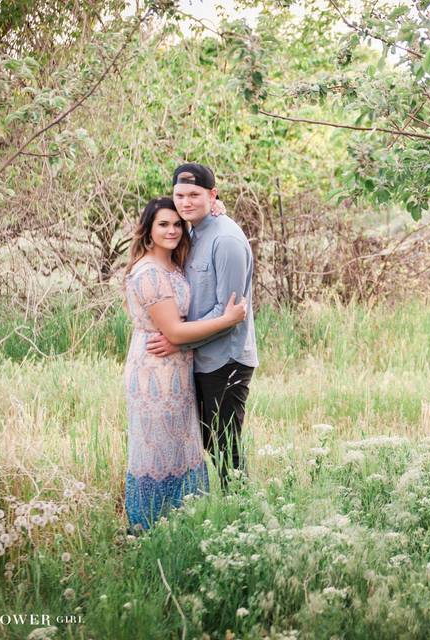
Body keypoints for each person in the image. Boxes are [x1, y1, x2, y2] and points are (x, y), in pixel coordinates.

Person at [123, 196, 246, 532]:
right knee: (157, 448)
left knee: (180, 446)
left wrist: (216, 208)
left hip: (177, 368)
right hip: (155, 370)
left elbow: (197, 209)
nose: (173, 230)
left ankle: (182, 525)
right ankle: (147, 529)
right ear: (147, 228)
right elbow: (174, 330)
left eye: (177, 224)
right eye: (163, 224)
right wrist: (228, 319)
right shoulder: (149, 273)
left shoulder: (172, 264)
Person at [146, 163, 258, 489]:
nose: (185, 202)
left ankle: (240, 514)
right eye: (179, 195)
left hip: (226, 359)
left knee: (226, 448)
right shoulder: (191, 230)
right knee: (209, 443)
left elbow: (229, 314)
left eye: (195, 195)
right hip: (201, 356)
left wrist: (177, 341)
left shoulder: (226, 241)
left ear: (212, 195)